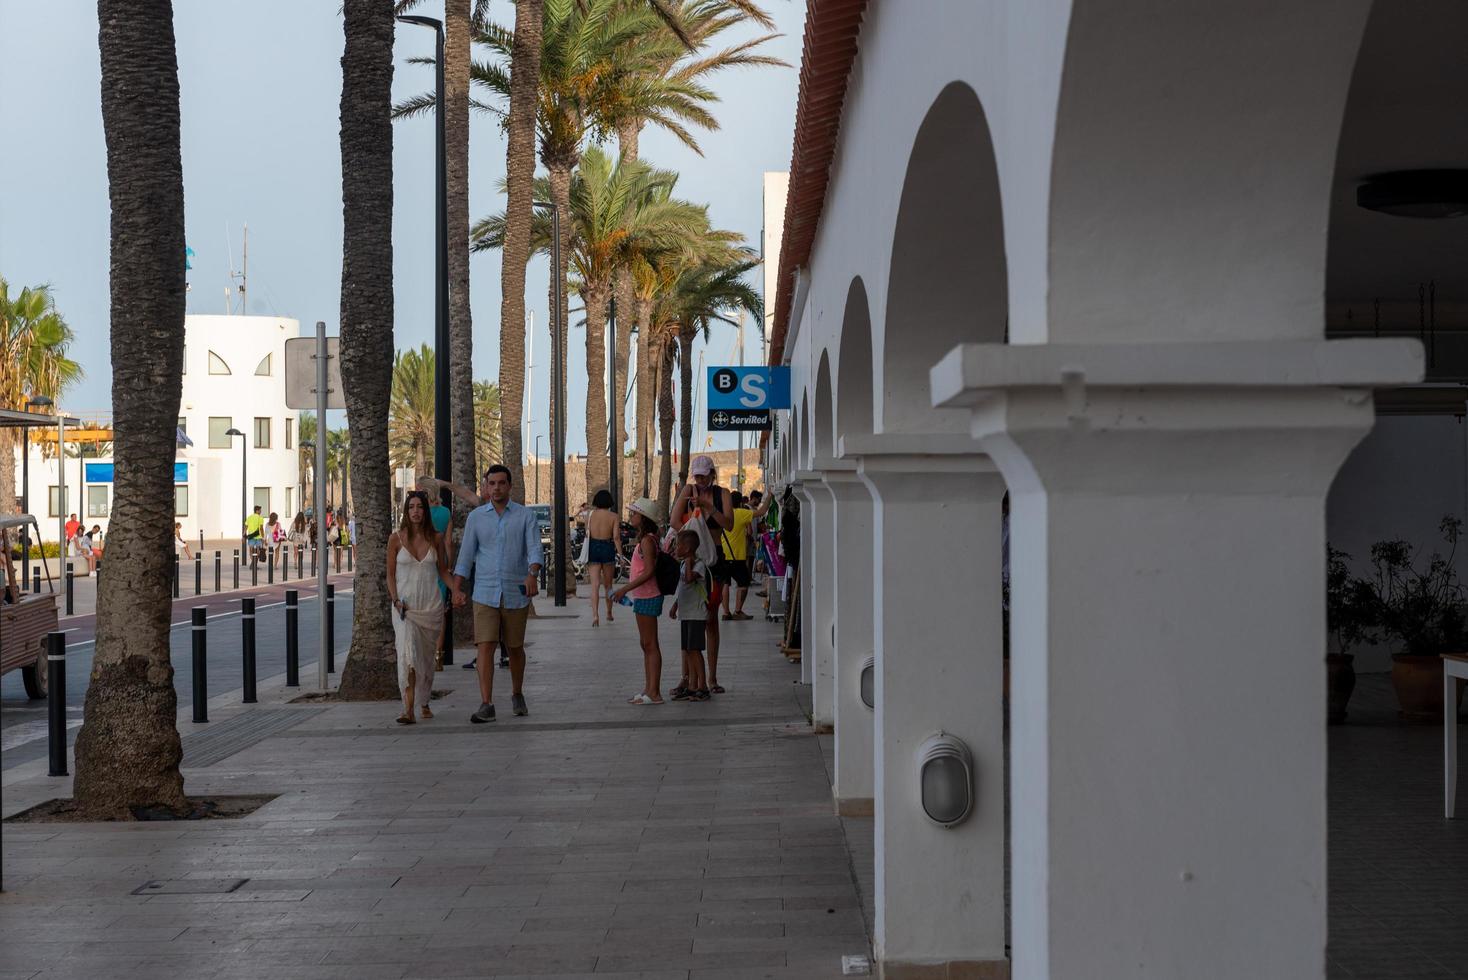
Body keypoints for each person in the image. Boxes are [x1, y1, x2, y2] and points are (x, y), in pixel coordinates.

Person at [451, 465, 543, 723]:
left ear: (509, 486)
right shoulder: (476, 518)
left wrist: (532, 574)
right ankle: (486, 703)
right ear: (486, 486)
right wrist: (457, 588)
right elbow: (466, 555)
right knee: (485, 647)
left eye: (501, 483)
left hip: (516, 592)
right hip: (485, 593)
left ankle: (517, 692)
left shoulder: (525, 516)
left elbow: (535, 549)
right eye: (492, 483)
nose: (496, 488)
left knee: (514, 648)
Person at [387, 491, 459, 725]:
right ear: (406, 512)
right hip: (404, 608)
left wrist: (456, 591)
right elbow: (389, 575)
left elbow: (443, 572)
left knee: (426, 660)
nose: (415, 511)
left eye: (419, 507)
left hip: (430, 606)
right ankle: (407, 709)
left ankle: (424, 701)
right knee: (407, 654)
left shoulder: (436, 539)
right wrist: (395, 599)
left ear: (425, 511)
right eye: (411, 507)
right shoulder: (395, 539)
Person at [670, 455, 735, 696]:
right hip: (693, 557)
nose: (699, 480)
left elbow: (728, 524)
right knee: (689, 618)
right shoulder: (688, 491)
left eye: (703, 475)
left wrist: (709, 508)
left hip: (714, 560)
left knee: (710, 618)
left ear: (712, 474)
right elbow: (674, 520)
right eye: (696, 475)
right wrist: (692, 538)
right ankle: (686, 678)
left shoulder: (722, 494)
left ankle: (711, 677)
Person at [611, 498, 667, 705]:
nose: (631, 516)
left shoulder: (646, 541)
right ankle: (649, 688)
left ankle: (655, 692)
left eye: (634, 513)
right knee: (646, 644)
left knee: (650, 643)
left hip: (648, 594)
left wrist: (625, 588)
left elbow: (650, 570)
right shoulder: (647, 539)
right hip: (643, 595)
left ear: (643, 518)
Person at [668, 528, 710, 702]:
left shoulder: (698, 563)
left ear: (687, 548)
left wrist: (689, 562)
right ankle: (692, 686)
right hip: (686, 612)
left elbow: (689, 579)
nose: (675, 548)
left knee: (695, 649)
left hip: (697, 613)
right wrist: (675, 606)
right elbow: (682, 589)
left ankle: (703, 686)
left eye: (678, 545)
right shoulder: (685, 563)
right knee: (687, 649)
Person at [718, 491, 756, 621]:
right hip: (737, 556)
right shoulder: (741, 513)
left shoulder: (721, 514)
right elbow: (760, 513)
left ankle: (725, 612)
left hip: (723, 555)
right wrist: (769, 497)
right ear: (741, 502)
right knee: (743, 583)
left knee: (725, 584)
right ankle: (738, 611)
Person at [584, 489, 619, 626]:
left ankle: (595, 616)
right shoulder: (614, 516)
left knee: (595, 585)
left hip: (593, 547)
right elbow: (616, 537)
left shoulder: (589, 515)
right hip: (607, 547)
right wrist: (621, 555)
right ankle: (609, 612)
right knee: (608, 585)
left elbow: (587, 535)